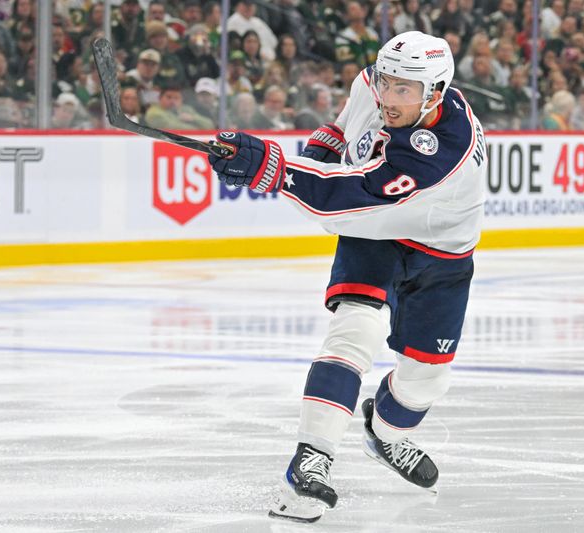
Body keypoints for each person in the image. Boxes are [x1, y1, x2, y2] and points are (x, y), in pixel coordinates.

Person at [206, 31, 486, 523]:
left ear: (435, 94)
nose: (390, 97)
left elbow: (341, 201)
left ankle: (385, 432)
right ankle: (310, 462)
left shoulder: (440, 151)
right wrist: (323, 146)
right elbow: (346, 122)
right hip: (376, 237)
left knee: (425, 382)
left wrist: (271, 168)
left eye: (405, 90)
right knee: (356, 331)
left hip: (441, 253)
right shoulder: (373, 85)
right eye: (387, 83)